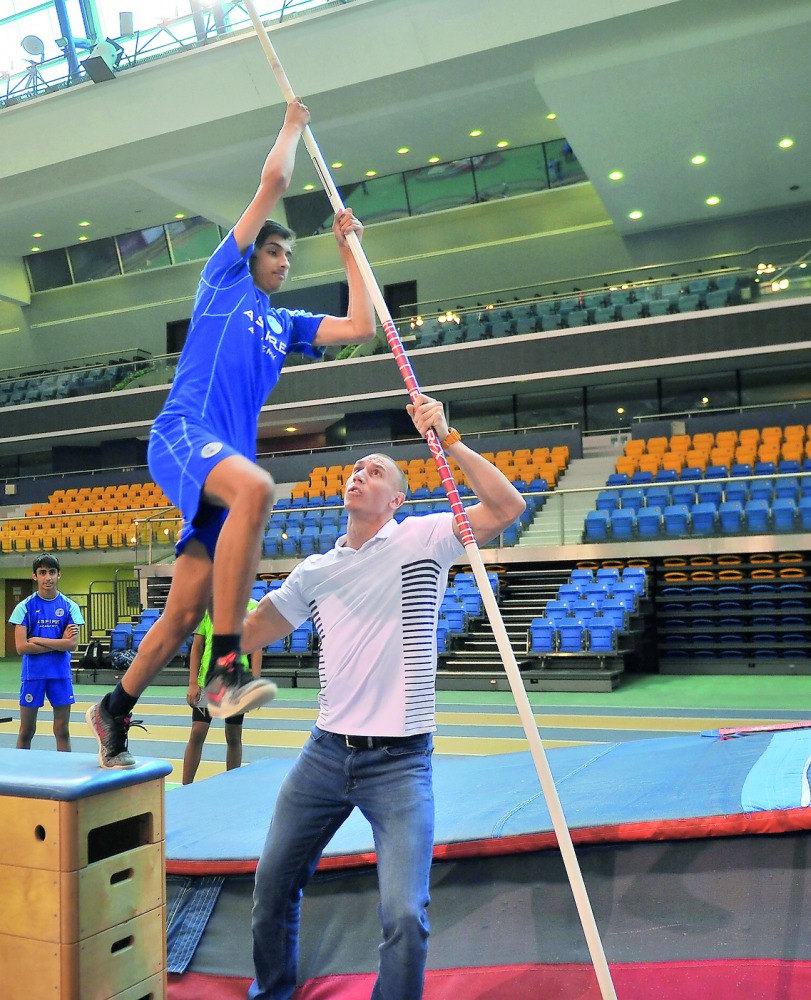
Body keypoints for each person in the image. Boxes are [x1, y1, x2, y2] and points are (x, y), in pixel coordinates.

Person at [86, 96, 376, 769]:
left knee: (181, 612)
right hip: (185, 436)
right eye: (274, 251)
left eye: (288, 257)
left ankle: (114, 710)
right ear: (250, 255)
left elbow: (359, 326)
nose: (282, 262)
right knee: (258, 487)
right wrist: (293, 126)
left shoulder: (283, 323)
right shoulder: (221, 283)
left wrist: (349, 251)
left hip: (223, 467)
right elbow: (272, 183)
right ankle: (223, 671)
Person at [240, 393, 526, 1000]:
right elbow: (254, 629)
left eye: (375, 471)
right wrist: (200, 618)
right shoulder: (315, 570)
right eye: (355, 468)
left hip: (399, 764)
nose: (358, 473)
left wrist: (446, 441)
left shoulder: (425, 538)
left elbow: (507, 506)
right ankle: (273, 992)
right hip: (324, 755)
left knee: (404, 916)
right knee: (270, 886)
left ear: (397, 499)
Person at [182, 599, 263, 784]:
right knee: (197, 732)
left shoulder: (251, 607)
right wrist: (193, 682)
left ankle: (232, 784)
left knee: (233, 735)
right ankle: (185, 786)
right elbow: (197, 647)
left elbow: (257, 647)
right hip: (207, 681)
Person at [10, 553, 84, 752]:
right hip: (33, 675)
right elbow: (21, 647)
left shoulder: (71, 607)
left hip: (60, 675)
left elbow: (72, 644)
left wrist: (39, 639)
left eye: (52, 572)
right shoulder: (23, 607)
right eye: (42, 573)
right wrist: (60, 642)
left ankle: (64, 777)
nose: (47, 577)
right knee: (26, 730)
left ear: (59, 574)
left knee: (62, 730)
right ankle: (20, 776)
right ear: (35, 576)